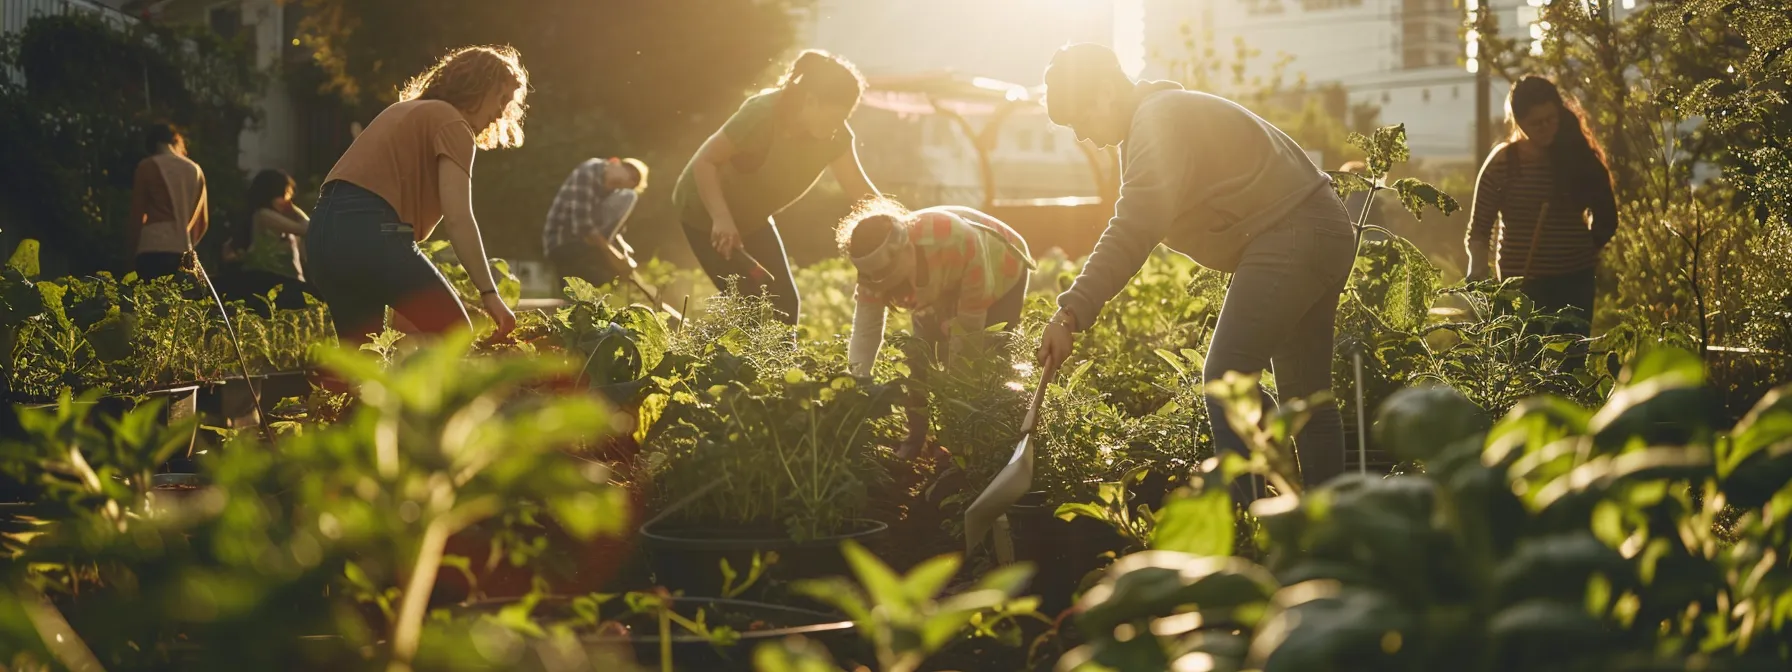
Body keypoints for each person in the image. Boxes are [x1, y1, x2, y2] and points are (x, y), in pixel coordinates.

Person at [1032, 44, 1356, 498]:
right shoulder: (1157, 119)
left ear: (1105, 92)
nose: (1086, 136)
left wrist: (1071, 312)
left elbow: (1133, 229)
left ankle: (1250, 529)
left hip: (1293, 234)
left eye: (1081, 120)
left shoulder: (1157, 120)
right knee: (1307, 400)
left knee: (1226, 379)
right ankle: (1333, 529)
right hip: (1320, 228)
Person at [305, 45, 527, 344]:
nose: (502, 111)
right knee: (456, 338)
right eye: (501, 98)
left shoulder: (403, 111)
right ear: (478, 85)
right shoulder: (452, 122)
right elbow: (459, 218)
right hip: (372, 232)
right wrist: (490, 294)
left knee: (365, 360)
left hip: (323, 234)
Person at [672, 49, 884, 326]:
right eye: (832, 118)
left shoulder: (836, 138)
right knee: (747, 302)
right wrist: (721, 218)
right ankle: (725, 363)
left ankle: (781, 367)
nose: (836, 127)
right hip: (704, 211)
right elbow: (706, 162)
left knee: (784, 302)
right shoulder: (762, 114)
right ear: (810, 101)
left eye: (842, 119)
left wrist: (902, 225)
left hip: (752, 220)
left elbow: (860, 191)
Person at [838, 199, 1034, 458]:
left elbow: (968, 341)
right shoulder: (871, 269)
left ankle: (988, 440)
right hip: (939, 278)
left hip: (1001, 263)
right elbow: (865, 331)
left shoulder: (956, 243)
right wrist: (857, 389)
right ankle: (916, 437)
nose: (888, 287)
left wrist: (956, 409)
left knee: (990, 356)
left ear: (906, 248)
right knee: (920, 356)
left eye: (893, 278)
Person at [1465, 75, 1618, 340]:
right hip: (1521, 286)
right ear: (1520, 123)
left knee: (1569, 367)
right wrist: (1477, 273)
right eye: (1537, 124)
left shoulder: (1579, 156)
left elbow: (1607, 216)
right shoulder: (1504, 162)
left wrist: (1585, 249)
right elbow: (1479, 229)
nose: (1546, 128)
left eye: (1551, 119)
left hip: (1574, 283)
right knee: (1526, 366)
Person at [541, 157, 648, 290]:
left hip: (586, 245)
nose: (628, 182)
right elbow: (583, 227)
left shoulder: (612, 192)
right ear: (614, 162)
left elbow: (611, 228)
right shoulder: (589, 171)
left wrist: (623, 253)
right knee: (629, 196)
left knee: (608, 282)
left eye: (633, 183)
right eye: (630, 174)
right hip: (564, 242)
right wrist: (612, 255)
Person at [222, 169, 315, 310]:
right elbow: (309, 229)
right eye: (285, 194)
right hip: (271, 283)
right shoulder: (264, 215)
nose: (287, 200)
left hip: (288, 284)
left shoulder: (283, 225)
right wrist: (293, 209)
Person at [127, 123, 209, 280]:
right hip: (182, 250)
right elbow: (202, 222)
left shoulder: (146, 167)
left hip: (151, 247)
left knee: (150, 301)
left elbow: (136, 216)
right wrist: (186, 241)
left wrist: (130, 255)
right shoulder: (195, 170)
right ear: (176, 140)